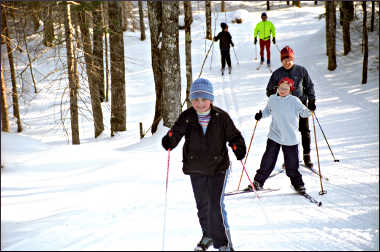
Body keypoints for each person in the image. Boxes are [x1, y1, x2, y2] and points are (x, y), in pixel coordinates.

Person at [161, 78, 246, 251]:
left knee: (215, 205)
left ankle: (223, 243)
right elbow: (176, 132)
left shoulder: (221, 117)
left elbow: (235, 136)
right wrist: (170, 140)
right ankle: (208, 234)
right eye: (196, 99)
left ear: (211, 99)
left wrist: (238, 147)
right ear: (191, 100)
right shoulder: (187, 117)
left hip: (218, 168)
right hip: (196, 168)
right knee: (202, 205)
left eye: (203, 99)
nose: (199, 103)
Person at [245, 77, 312, 193]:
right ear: (278, 87)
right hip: (274, 135)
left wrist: (310, 109)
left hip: (290, 137)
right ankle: (258, 182)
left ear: (290, 89)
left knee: (292, 165)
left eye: (286, 89)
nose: (282, 91)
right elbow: (267, 111)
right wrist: (260, 115)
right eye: (281, 88)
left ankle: (298, 184)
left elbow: (304, 113)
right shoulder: (272, 99)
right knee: (267, 160)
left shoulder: (294, 101)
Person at [266, 45, 316, 168]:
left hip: (301, 105)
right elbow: (269, 90)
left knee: (304, 130)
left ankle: (306, 155)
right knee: (287, 133)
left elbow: (309, 86)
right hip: (285, 107)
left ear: (293, 59)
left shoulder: (301, 70)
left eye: (289, 59)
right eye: (284, 60)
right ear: (281, 60)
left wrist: (312, 101)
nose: (287, 62)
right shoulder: (277, 74)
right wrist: (276, 98)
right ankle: (289, 158)